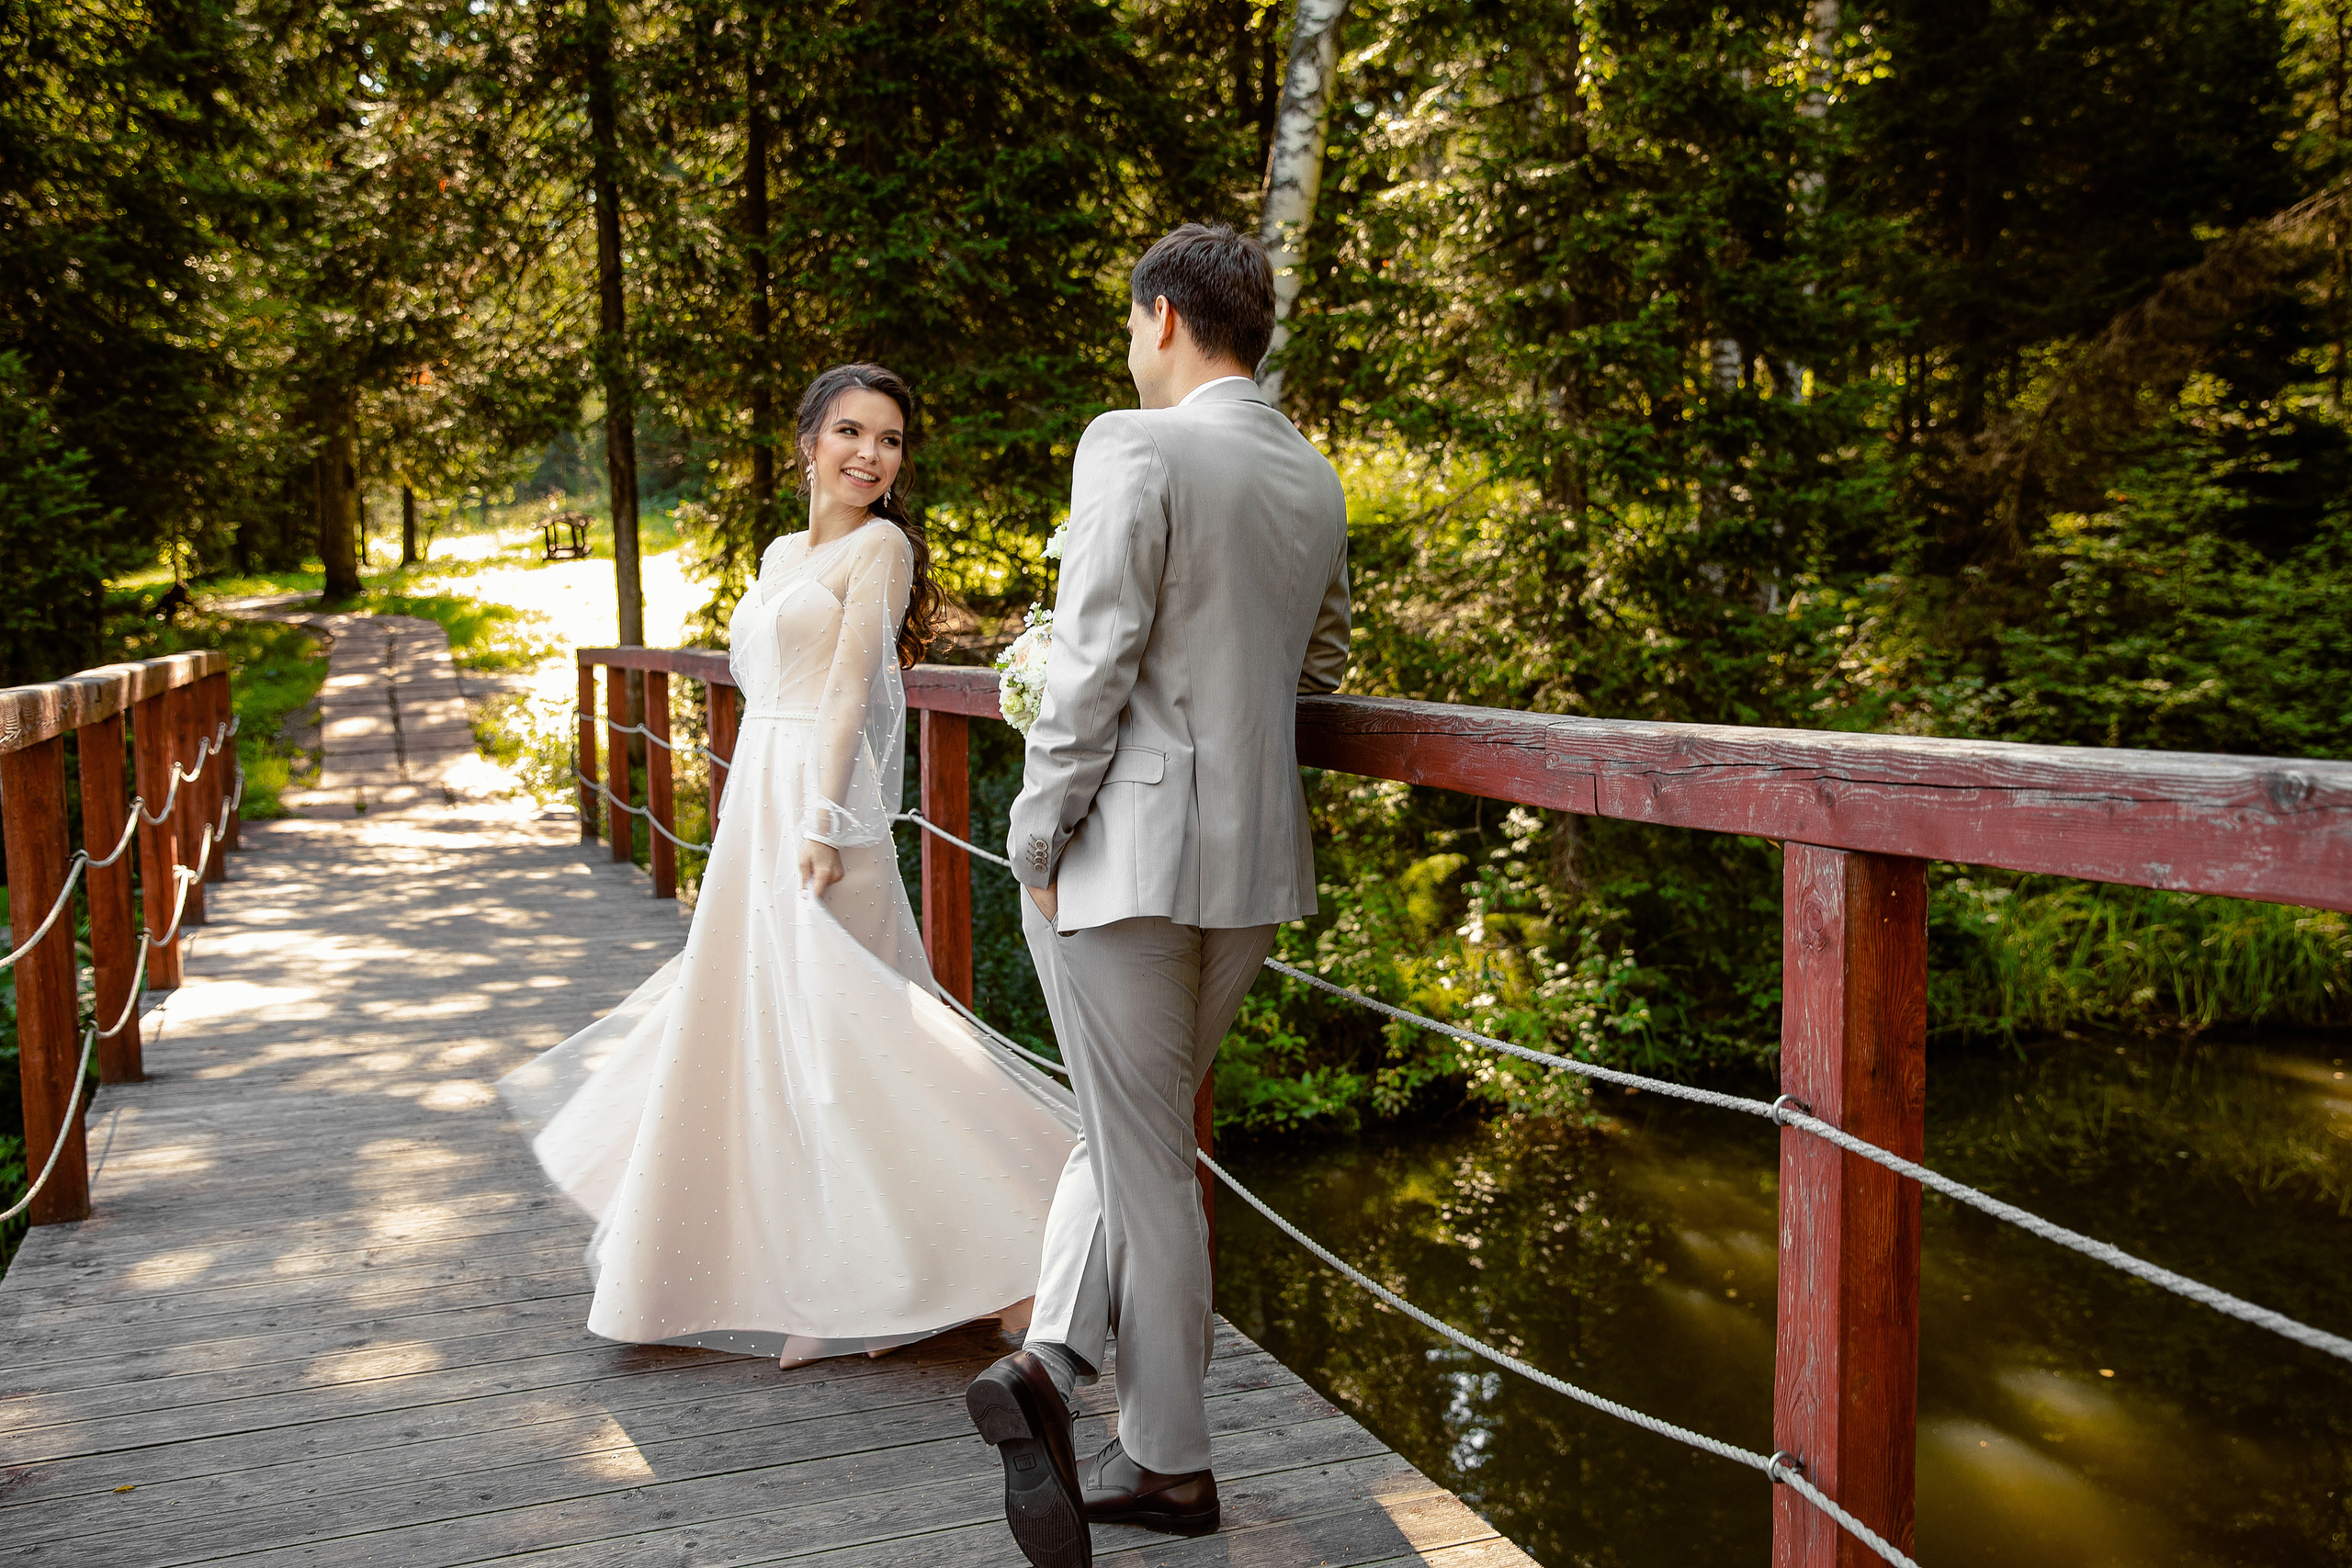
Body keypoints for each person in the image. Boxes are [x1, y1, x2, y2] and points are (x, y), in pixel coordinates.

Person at [499, 363, 1078, 1365]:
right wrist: (759, 808)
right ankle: (828, 1267)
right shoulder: (777, 554)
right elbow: (766, 688)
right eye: (851, 431)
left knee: (851, 1035)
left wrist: (822, 820)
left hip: (820, 806)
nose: (870, 454)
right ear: (809, 440)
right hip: (756, 801)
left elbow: (850, 691)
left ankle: (995, 1249)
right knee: (769, 1028)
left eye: (889, 440)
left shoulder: (882, 548)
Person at [965, 225, 1351, 1568]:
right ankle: (1055, 1362)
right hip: (1251, 869)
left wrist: (1035, 832)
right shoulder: (1312, 474)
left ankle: (1170, 1460)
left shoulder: (1132, 444)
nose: (1131, 348)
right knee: (1133, 1133)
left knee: (1147, 1158)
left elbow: (1093, 658)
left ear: (1166, 315)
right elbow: (1321, 664)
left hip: (1121, 856)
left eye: (1133, 324)